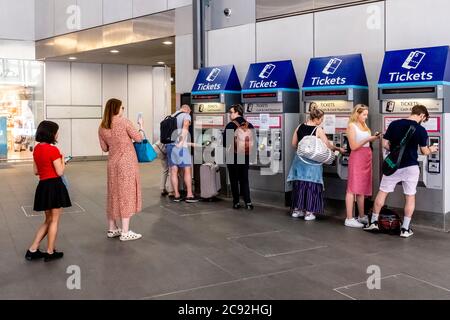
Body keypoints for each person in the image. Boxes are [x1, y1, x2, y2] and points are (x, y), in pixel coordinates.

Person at [364, 105, 438, 238]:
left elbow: (385, 144)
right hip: (411, 167)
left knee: (382, 193)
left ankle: (374, 222)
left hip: (393, 165)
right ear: (421, 115)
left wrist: (394, 151)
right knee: (410, 196)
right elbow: (424, 151)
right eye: (424, 118)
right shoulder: (421, 130)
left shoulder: (395, 124)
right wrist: (432, 149)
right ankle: (405, 229)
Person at [287, 107, 345, 221]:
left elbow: (294, 144)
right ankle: (309, 213)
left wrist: (305, 148)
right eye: (321, 119)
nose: (322, 121)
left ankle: (297, 210)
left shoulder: (299, 126)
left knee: (299, 184)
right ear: (317, 119)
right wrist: (338, 148)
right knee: (311, 185)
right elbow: (328, 145)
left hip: (299, 160)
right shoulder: (318, 129)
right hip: (311, 163)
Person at [25, 120, 72, 262]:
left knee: (48, 219)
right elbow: (59, 172)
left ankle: (33, 249)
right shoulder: (53, 150)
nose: (58, 134)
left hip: (43, 187)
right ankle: (50, 252)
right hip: (55, 186)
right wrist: (63, 160)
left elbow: (35, 171)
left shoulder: (37, 149)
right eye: (56, 131)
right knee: (54, 221)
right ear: (51, 133)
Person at [98, 98, 144, 241]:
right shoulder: (124, 122)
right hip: (127, 163)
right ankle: (125, 231)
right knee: (126, 194)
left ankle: (112, 229)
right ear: (116, 108)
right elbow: (139, 138)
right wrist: (141, 126)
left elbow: (104, 148)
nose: (123, 110)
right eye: (122, 107)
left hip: (112, 163)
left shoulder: (102, 127)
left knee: (113, 193)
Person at [344, 105, 381, 228]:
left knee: (362, 188)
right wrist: (368, 139)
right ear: (357, 114)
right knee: (352, 188)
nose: (366, 117)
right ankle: (349, 218)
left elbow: (365, 141)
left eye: (366, 114)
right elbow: (353, 146)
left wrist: (373, 138)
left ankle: (361, 215)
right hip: (357, 157)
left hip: (366, 158)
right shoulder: (351, 126)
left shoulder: (365, 126)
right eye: (364, 114)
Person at [223, 104, 255, 210]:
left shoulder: (230, 125)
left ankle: (236, 202)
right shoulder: (249, 125)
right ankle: (248, 202)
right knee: (244, 179)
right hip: (245, 155)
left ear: (237, 112)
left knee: (234, 179)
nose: (230, 114)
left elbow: (225, 143)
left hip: (233, 155)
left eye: (231, 112)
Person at [167, 104, 199, 203]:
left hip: (169, 145)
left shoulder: (171, 115)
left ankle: (176, 195)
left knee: (173, 170)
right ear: (188, 110)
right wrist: (181, 142)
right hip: (180, 147)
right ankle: (189, 194)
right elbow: (185, 128)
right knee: (187, 170)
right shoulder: (186, 115)